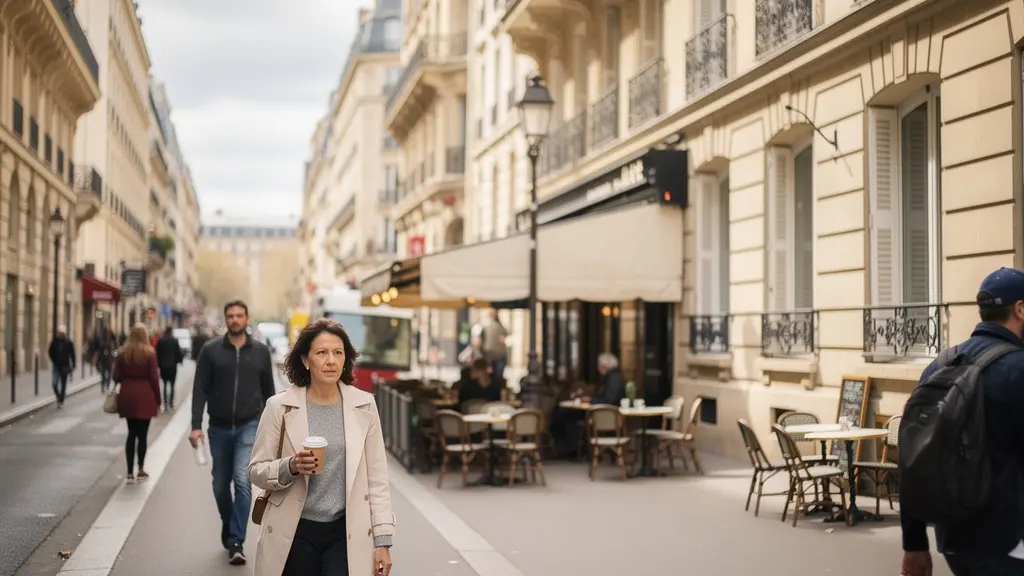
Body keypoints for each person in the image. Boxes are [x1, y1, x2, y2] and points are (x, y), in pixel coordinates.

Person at [900, 268, 1024, 576]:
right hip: (1010, 545)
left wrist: (914, 544)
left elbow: (912, 458)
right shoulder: (1018, 370)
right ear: (1020, 309)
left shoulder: (940, 365)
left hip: (954, 541)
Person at [249, 318, 395, 576]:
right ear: (306, 360)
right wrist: (290, 466)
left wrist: (383, 541)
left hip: (345, 533)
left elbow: (377, 479)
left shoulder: (364, 407)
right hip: (294, 531)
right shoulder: (279, 407)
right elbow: (256, 470)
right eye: (322, 353)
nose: (331, 360)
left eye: (338, 353)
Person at [190, 300, 277, 566]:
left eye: (239, 315)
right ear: (226, 320)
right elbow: (200, 387)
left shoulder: (261, 352)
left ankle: (236, 540)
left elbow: (269, 394)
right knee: (219, 484)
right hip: (218, 427)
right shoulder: (210, 350)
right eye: (230, 316)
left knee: (242, 480)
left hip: (248, 425)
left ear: (247, 318)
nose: (235, 319)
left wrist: (275, 429)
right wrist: (195, 425)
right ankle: (229, 525)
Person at [113, 324, 161, 484]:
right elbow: (154, 379)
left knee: (131, 434)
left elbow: (116, 376)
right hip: (145, 395)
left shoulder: (122, 353)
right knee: (142, 435)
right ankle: (140, 469)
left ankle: (128, 473)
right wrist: (159, 400)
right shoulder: (150, 353)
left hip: (127, 395)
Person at [155, 326, 184, 411]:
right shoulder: (174, 340)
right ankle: (170, 403)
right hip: (172, 366)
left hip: (163, 366)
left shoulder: (161, 340)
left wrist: (158, 364)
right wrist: (180, 361)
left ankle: (165, 403)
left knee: (164, 384)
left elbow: (157, 353)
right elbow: (178, 352)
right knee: (172, 385)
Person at [48, 326, 76, 408]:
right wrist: (54, 360)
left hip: (65, 366)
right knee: (54, 384)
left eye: (61, 333)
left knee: (63, 385)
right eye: (58, 333)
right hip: (56, 366)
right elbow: (50, 351)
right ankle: (58, 397)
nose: (59, 334)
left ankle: (61, 400)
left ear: (64, 333)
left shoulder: (68, 342)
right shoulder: (54, 341)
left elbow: (72, 354)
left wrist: (73, 365)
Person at [483, 311, 509, 380]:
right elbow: (503, 337)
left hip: (488, 352)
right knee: (498, 375)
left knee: (490, 374)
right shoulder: (499, 326)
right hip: (498, 352)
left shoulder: (486, 326)